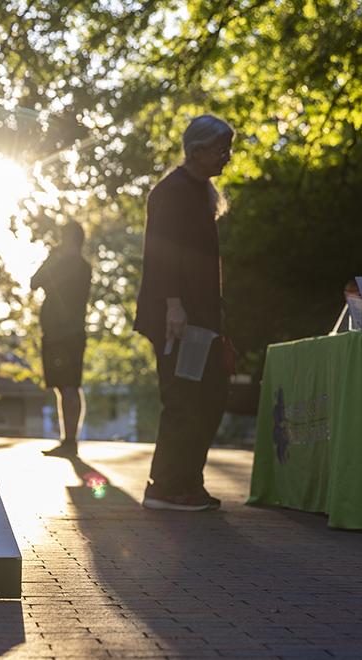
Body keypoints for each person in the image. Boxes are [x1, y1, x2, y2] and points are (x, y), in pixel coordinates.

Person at [133, 114, 235, 511]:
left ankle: (188, 482)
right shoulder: (171, 191)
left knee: (208, 396)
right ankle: (165, 487)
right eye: (220, 149)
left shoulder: (201, 192)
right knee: (183, 399)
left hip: (203, 320)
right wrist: (173, 305)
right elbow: (161, 252)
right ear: (197, 150)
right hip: (176, 319)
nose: (226, 157)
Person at [30, 221, 92, 458]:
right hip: (62, 334)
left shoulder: (68, 265)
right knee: (66, 387)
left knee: (68, 387)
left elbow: (35, 282)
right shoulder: (81, 266)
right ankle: (69, 440)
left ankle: (69, 442)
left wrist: (50, 258)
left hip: (65, 335)